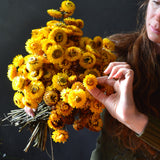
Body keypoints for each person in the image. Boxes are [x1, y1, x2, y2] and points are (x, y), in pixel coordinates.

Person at [89, 0, 160, 159]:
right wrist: (40, 96)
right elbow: (71, 93)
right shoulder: (115, 51)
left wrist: (132, 118)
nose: (158, 17)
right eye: (157, 2)